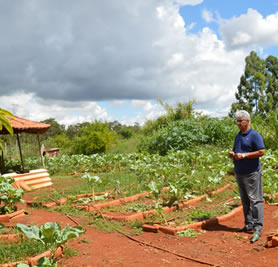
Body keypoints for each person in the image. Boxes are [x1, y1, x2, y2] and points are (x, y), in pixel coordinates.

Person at [228, 110, 265, 243]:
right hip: (240, 172)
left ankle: (258, 227)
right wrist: (233, 154)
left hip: (252, 172)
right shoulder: (238, 135)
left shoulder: (254, 135)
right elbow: (238, 150)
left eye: (240, 121)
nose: (238, 123)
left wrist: (244, 156)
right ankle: (248, 224)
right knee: (245, 200)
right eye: (237, 121)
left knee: (255, 200)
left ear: (247, 121)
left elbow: (261, 151)